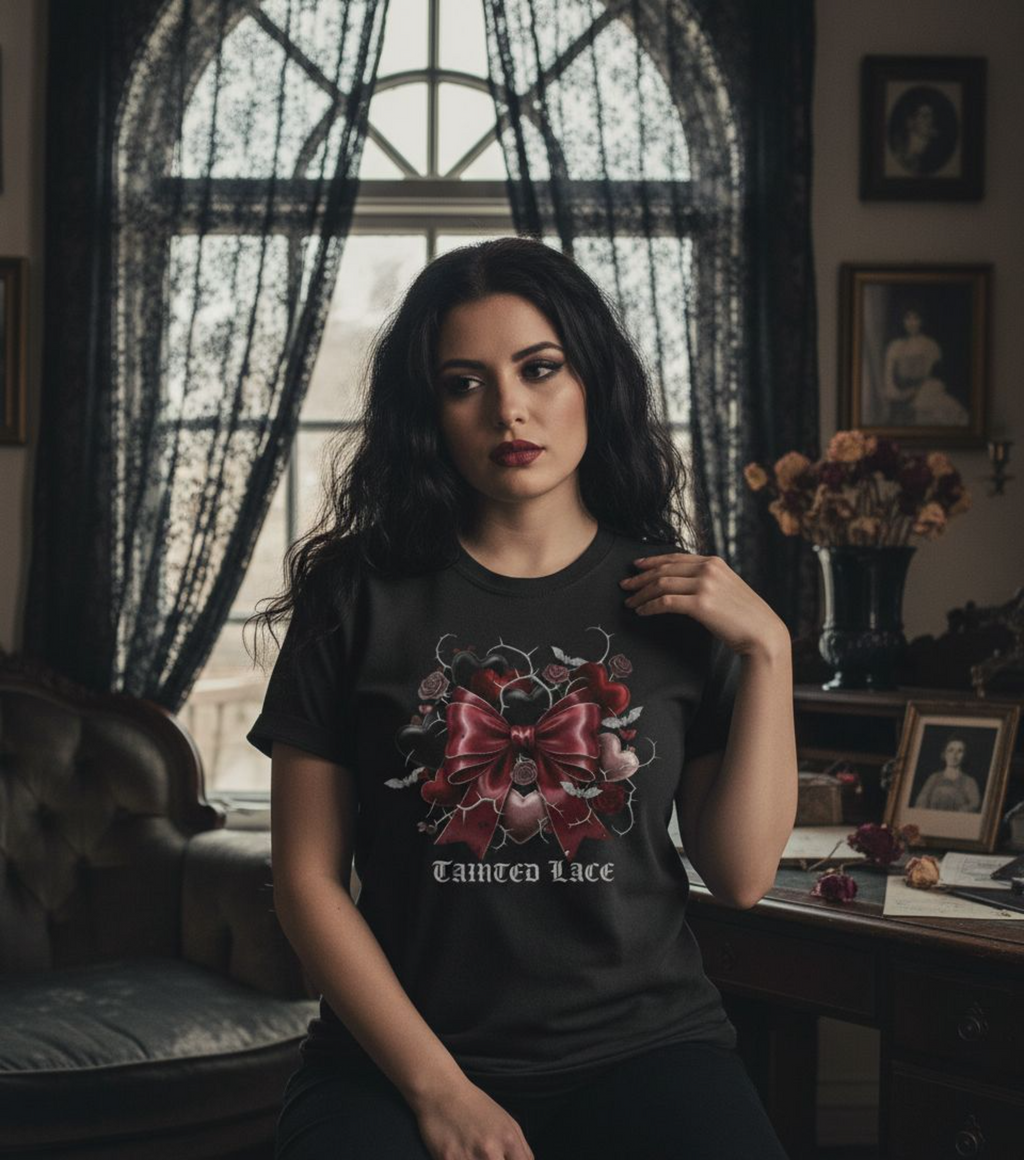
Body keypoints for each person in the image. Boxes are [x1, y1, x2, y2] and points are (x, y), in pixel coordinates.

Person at [245, 236, 798, 1160]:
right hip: (393, 1062)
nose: (509, 407)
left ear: (593, 379)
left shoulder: (684, 602)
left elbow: (740, 876)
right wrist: (440, 1092)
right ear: (430, 411)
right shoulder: (355, 596)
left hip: (647, 1051)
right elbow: (307, 885)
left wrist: (771, 650)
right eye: (465, 382)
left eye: (539, 368)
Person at [881, 304, 968, 427]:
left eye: (916, 318)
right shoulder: (894, 346)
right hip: (901, 395)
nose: (911, 323)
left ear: (922, 321)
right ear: (902, 320)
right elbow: (889, 382)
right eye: (908, 318)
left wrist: (919, 390)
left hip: (927, 393)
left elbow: (933, 378)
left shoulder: (931, 346)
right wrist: (901, 395)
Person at [913, 734, 982, 812]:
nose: (954, 755)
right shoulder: (934, 778)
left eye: (960, 751)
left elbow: (974, 805)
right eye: (951, 750)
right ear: (944, 754)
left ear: (964, 756)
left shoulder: (970, 782)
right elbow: (921, 802)